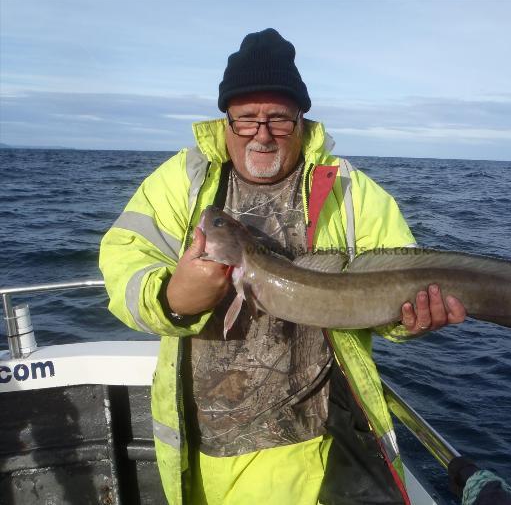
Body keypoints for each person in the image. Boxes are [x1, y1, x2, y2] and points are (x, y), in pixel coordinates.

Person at [99, 28, 466, 505]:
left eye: (279, 119)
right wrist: (171, 297)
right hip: (212, 452)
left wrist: (408, 320)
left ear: (301, 119)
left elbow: (401, 283)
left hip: (333, 442)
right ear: (226, 121)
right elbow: (123, 260)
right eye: (246, 119)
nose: (263, 134)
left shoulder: (352, 191)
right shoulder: (180, 181)